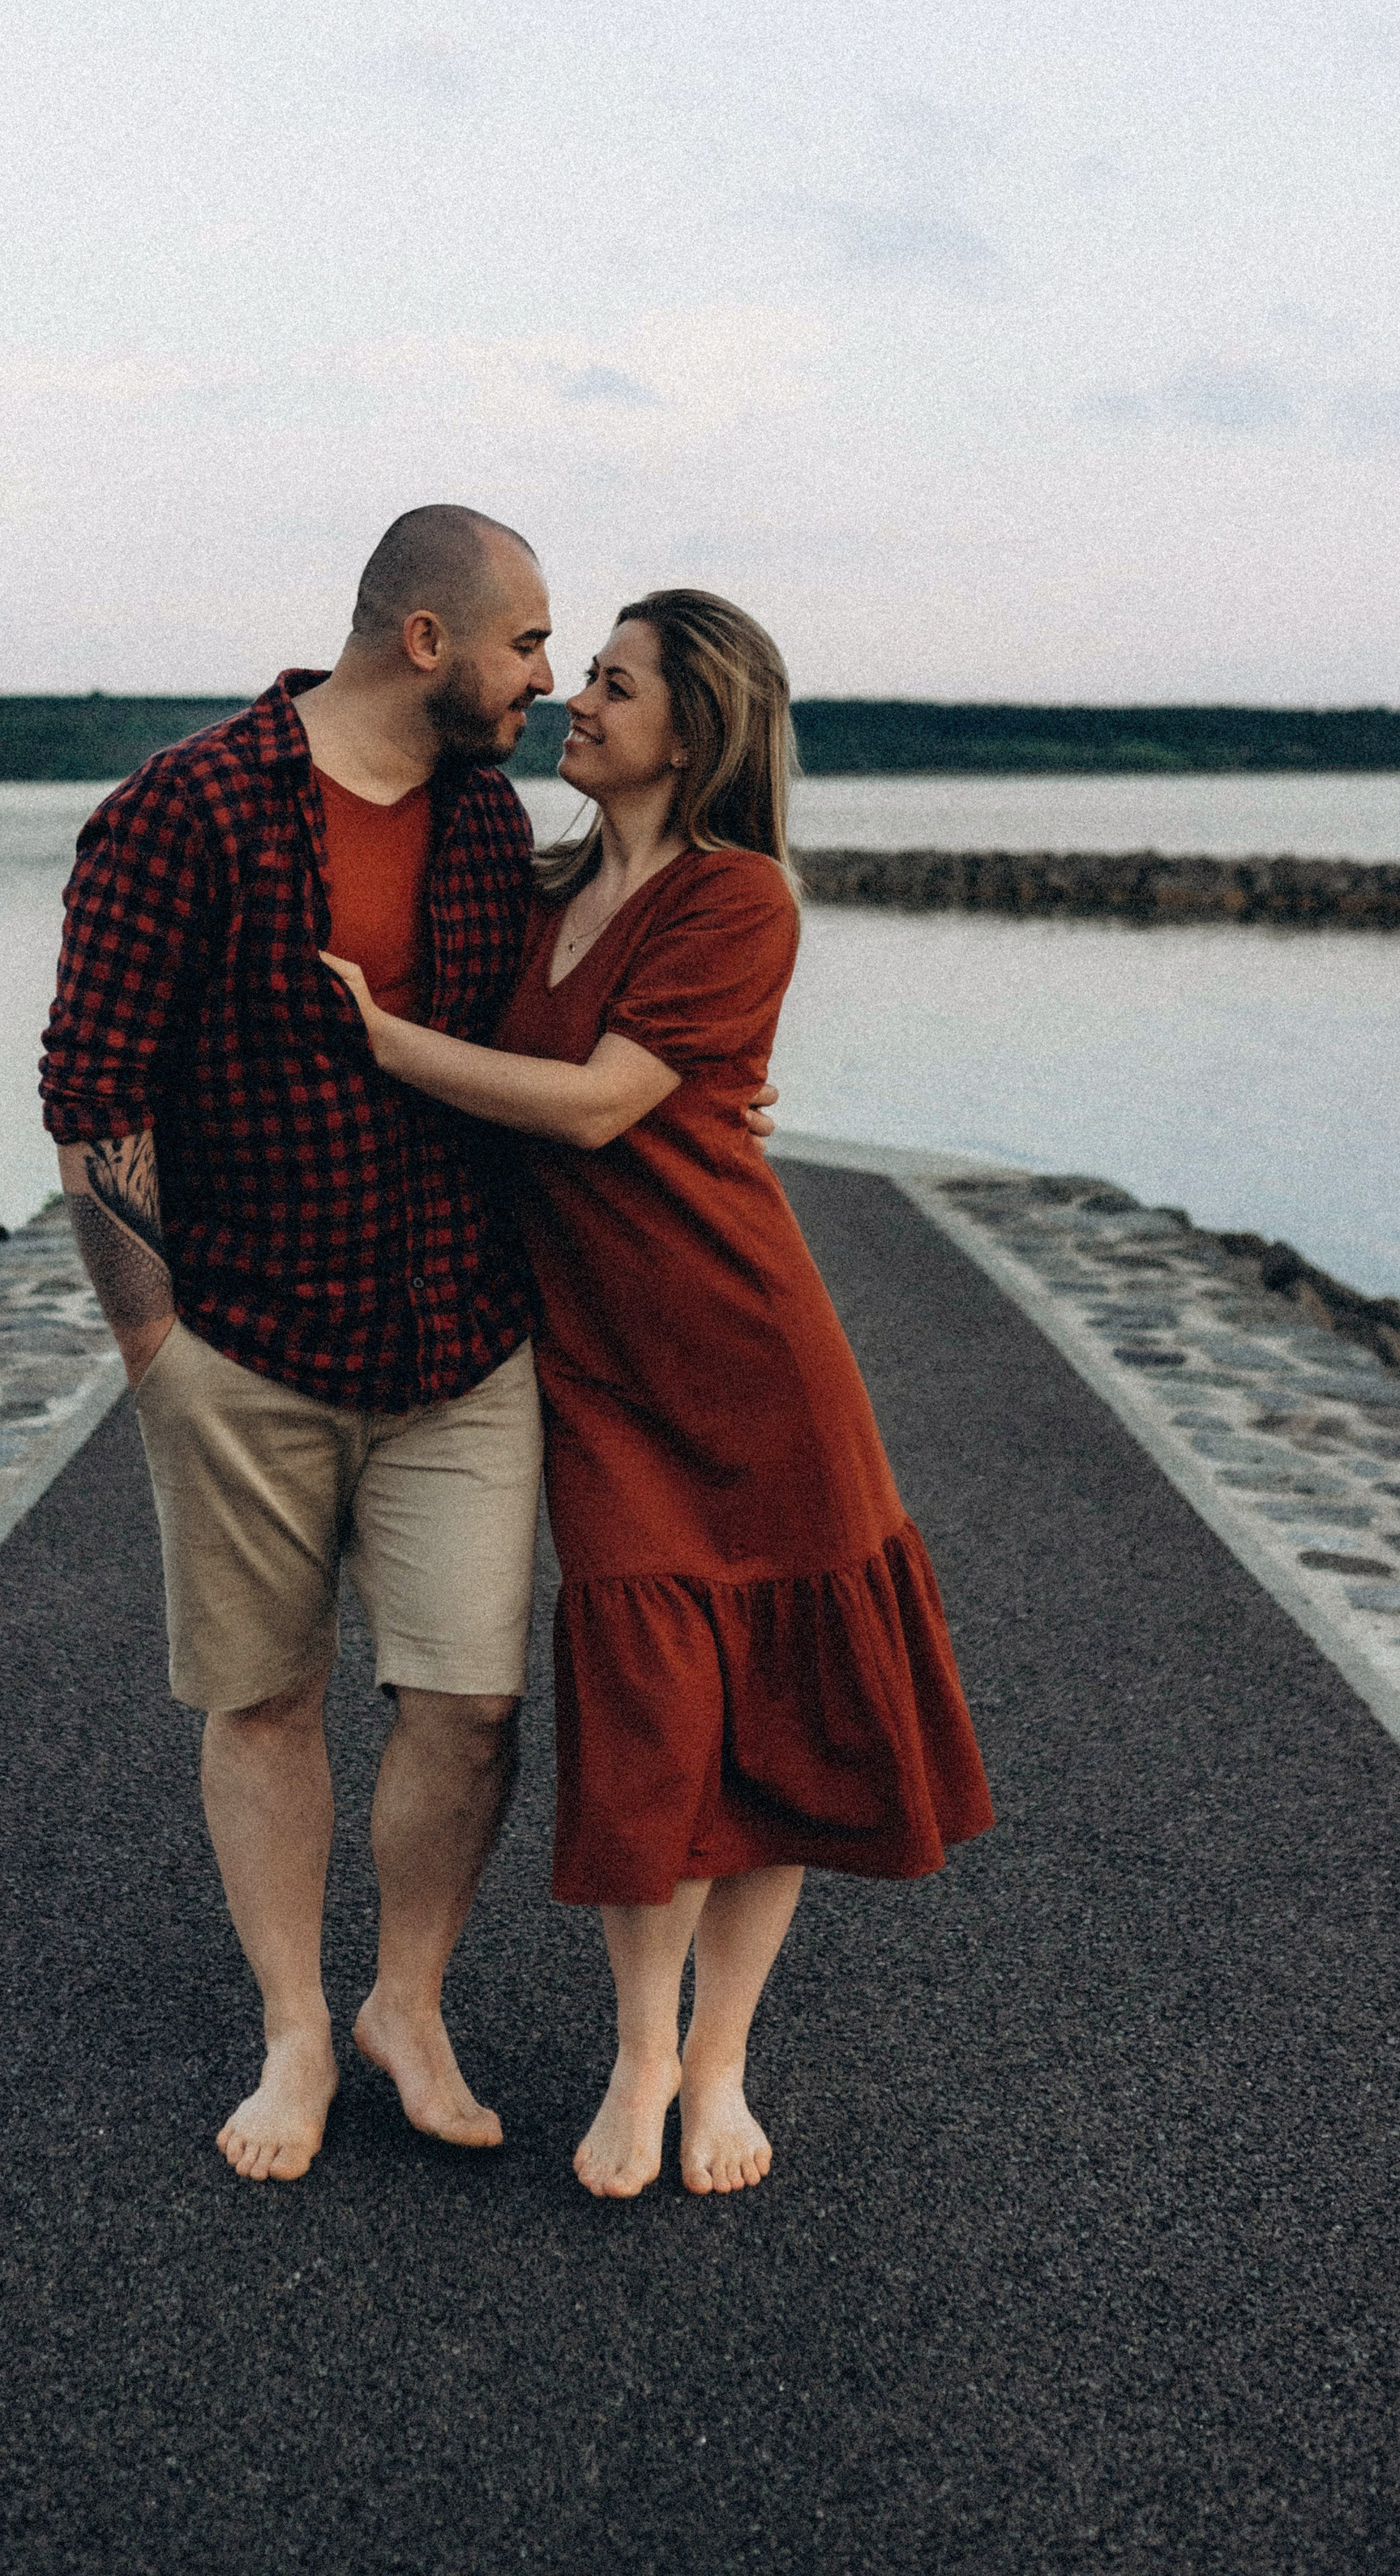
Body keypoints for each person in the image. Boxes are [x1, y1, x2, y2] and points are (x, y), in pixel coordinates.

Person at [43, 511, 784, 2184]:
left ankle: (408, 2002)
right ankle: (295, 2030)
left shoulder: (481, 817)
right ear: (430, 642)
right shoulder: (190, 806)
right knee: (263, 1698)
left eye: (572, 660)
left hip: (461, 1342)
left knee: (468, 1703)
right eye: (530, 644)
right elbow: (90, 1083)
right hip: (238, 1342)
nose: (549, 675)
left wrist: (711, 1100)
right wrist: (151, 1339)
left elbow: (588, 1020)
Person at [323, 588, 994, 2202]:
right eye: (585, 678)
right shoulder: (536, 881)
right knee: (656, 1720)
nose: (579, 702)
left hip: (754, 1364)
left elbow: (599, 1107)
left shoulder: (737, 895)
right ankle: (638, 2050)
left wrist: (381, 1039)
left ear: (689, 730)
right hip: (604, 1375)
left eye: (611, 686)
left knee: (775, 1721)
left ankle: (718, 2062)